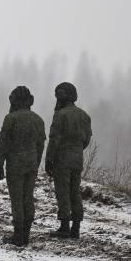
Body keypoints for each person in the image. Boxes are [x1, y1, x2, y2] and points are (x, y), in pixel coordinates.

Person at [0, 85, 47, 247]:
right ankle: (26, 234)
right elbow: (40, 145)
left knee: (17, 199)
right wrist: (36, 163)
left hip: (15, 165)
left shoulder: (10, 119)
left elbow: (4, 144)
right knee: (28, 198)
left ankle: (18, 235)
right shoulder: (38, 119)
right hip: (31, 165)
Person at [45, 81, 93, 239]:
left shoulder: (60, 115)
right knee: (75, 191)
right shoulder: (84, 115)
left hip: (62, 158)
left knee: (63, 191)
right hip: (77, 158)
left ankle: (64, 226)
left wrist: (49, 159)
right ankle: (76, 228)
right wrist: (76, 149)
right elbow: (87, 139)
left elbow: (54, 139)